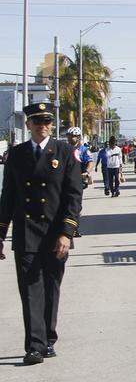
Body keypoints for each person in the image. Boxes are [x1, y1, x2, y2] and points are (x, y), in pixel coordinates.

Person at [0, 103, 83, 365]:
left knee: (50, 287)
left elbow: (73, 195)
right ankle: (34, 346)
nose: (42, 126)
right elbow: (8, 197)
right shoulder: (16, 154)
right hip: (26, 232)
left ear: (52, 124)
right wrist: (1, 234)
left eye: (47, 121)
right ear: (28, 125)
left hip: (55, 232)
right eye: (37, 122)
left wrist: (67, 233)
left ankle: (48, 338)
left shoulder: (64, 151)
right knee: (29, 290)